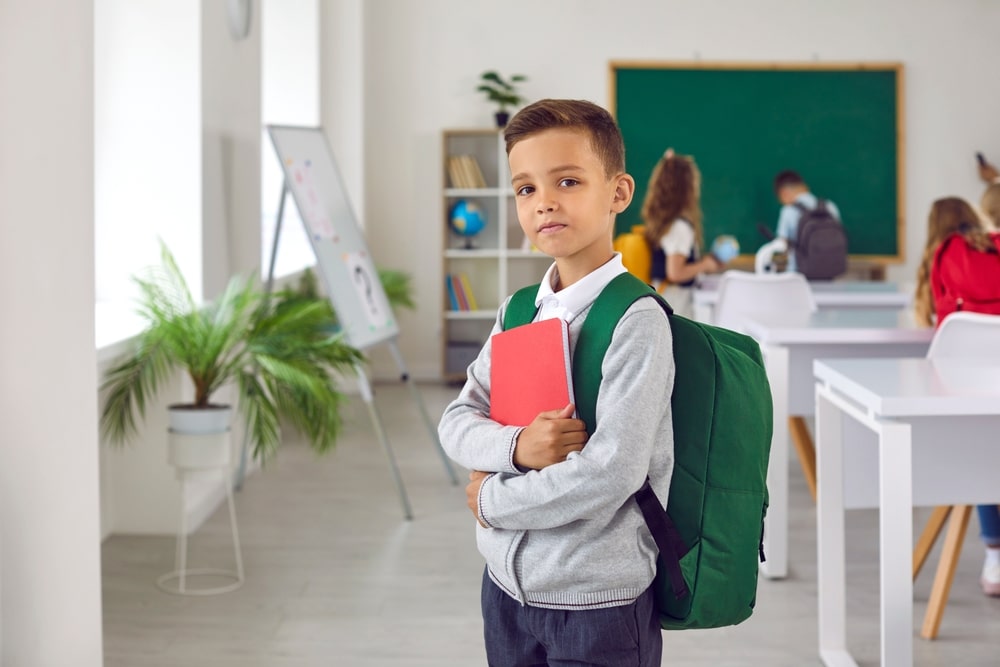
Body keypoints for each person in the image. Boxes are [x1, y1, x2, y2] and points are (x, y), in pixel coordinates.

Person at [437, 98, 673, 666]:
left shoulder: (636, 319)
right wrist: (517, 445)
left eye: (567, 181)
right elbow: (457, 421)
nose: (544, 202)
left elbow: (610, 473)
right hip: (506, 588)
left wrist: (494, 499)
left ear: (618, 193)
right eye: (525, 189)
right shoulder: (519, 310)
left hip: (597, 601)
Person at [913, 195, 1000, 596]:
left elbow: (931, 314)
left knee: (978, 448)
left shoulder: (945, 251)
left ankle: (995, 555)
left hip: (962, 395)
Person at [640, 149, 723, 318]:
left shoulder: (664, 222)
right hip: (675, 305)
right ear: (687, 187)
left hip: (664, 301)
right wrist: (705, 265)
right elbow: (675, 272)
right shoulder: (679, 227)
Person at [773, 169, 841, 273]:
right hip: (830, 273)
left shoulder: (788, 211)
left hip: (798, 274)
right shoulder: (830, 207)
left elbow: (781, 247)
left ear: (784, 193)